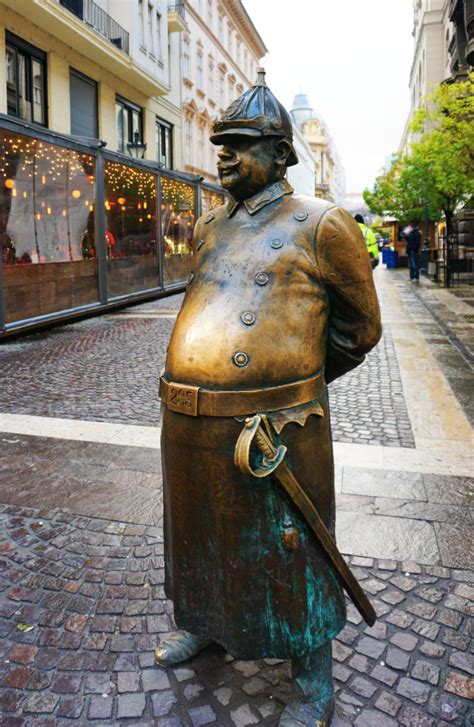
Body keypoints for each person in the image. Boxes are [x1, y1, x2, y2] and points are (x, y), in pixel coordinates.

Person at [155, 69, 382, 726]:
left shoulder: (322, 223)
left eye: (242, 141)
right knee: (196, 530)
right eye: (220, 140)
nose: (223, 153)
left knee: (291, 547)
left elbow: (359, 328)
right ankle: (205, 619)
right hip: (190, 420)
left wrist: (292, 378)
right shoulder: (209, 226)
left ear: (281, 151)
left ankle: (312, 674)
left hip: (278, 426)